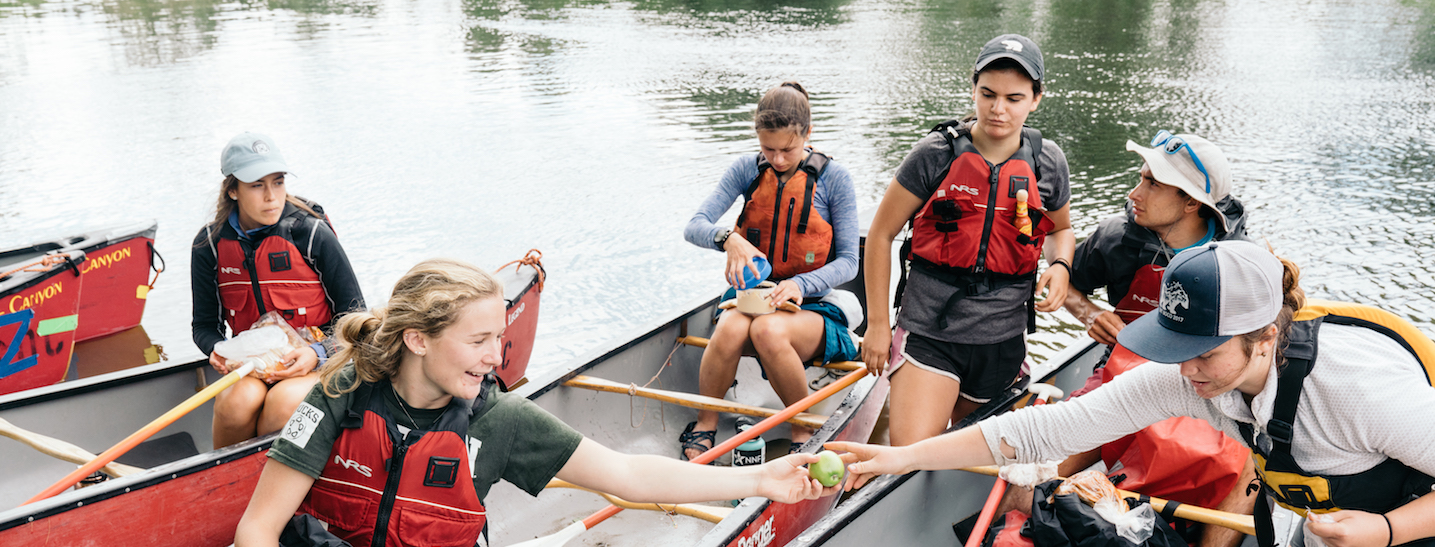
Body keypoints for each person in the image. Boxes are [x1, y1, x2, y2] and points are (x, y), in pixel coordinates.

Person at [834, 240, 1435, 547]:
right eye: (1175, 348)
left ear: (1264, 338)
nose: (1187, 370)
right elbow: (1045, 430)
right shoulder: (1194, 378)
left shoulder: (1356, 390)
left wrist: (1387, 533)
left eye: (1204, 351)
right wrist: (899, 457)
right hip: (1325, 524)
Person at [233, 259, 838, 547]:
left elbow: (627, 474)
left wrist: (765, 479)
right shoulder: (340, 393)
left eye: (499, 338)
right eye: (478, 341)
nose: (497, 357)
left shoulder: (497, 420)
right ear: (417, 340)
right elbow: (259, 527)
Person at [989, 132, 1256, 547]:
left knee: (1247, 471)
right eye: (1141, 177)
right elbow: (1064, 285)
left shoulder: (1238, 260)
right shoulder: (1117, 237)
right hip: (1119, 372)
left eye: (1152, 183)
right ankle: (1007, 536)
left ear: (1191, 202)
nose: (1135, 193)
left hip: (1206, 383)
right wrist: (1089, 313)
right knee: (1041, 459)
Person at [861, 34, 1075, 446]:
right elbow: (881, 235)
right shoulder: (934, 154)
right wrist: (876, 325)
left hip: (1002, 340)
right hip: (929, 333)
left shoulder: (1048, 161)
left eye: (1014, 98)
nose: (998, 109)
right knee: (912, 456)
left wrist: (1061, 266)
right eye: (988, 94)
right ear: (973, 88)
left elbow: (1060, 229)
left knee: (966, 459)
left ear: (1036, 99)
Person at [681, 81, 861, 460]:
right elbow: (694, 225)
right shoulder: (746, 169)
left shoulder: (835, 179)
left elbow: (849, 260)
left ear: (807, 134)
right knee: (730, 327)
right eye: (768, 149)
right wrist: (727, 238)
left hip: (812, 305)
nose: (778, 159)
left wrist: (799, 283)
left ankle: (802, 428)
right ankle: (706, 423)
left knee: (766, 329)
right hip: (752, 297)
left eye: (787, 150)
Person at [191, 132, 366, 449]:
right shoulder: (210, 246)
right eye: (257, 185)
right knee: (235, 405)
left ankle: (274, 489)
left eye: (278, 181)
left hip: (321, 358)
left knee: (282, 406)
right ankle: (223, 490)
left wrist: (318, 352)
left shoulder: (310, 233)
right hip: (254, 363)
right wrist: (218, 348)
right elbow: (204, 326)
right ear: (233, 190)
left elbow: (357, 319)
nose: (271, 196)